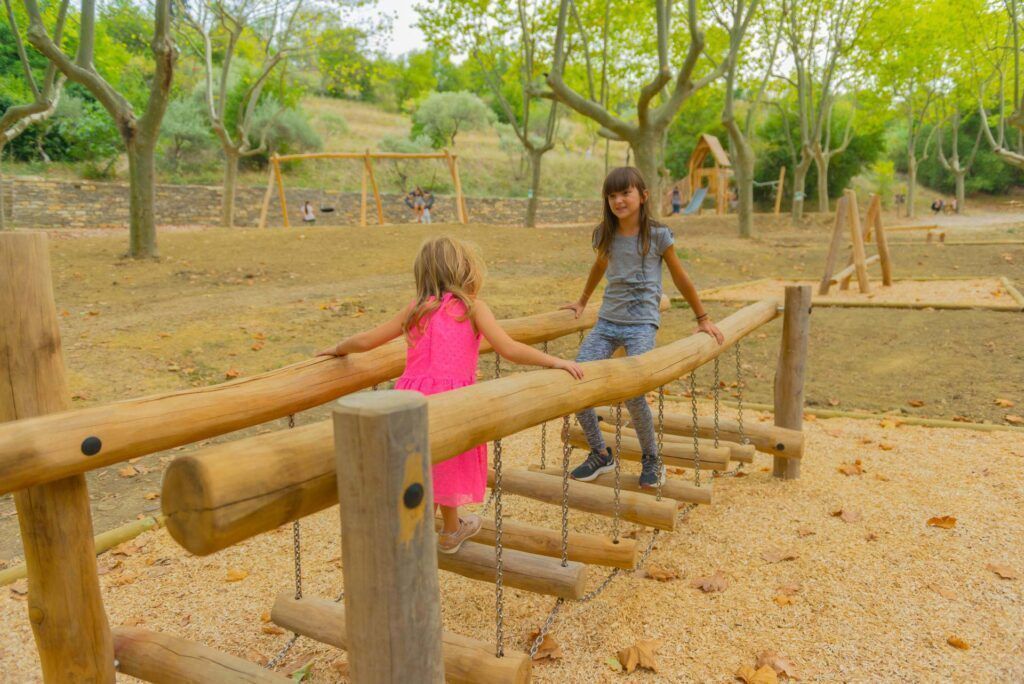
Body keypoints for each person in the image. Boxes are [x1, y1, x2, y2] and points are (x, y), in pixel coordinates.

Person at [317, 236, 584, 553]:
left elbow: (365, 341)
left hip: (411, 400)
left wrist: (338, 348)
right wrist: (555, 361)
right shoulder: (472, 309)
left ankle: (420, 532)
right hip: (454, 401)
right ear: (465, 270)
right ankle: (448, 532)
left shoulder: (416, 309)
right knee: (449, 462)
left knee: (420, 464)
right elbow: (509, 348)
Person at [561, 167, 724, 488]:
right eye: (612, 195)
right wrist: (581, 302)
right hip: (607, 322)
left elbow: (679, 276)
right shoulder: (604, 235)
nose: (618, 200)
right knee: (578, 383)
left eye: (625, 193)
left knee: (634, 392)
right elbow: (599, 267)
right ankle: (600, 453)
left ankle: (652, 457)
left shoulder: (658, 235)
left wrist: (702, 317)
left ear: (643, 196)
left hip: (641, 326)